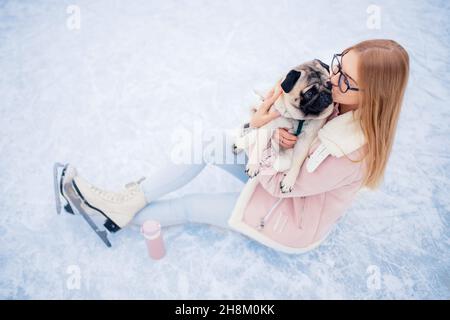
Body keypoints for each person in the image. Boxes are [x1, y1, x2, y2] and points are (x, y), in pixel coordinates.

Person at [63, 39, 410, 253]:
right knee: (205, 143)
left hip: (288, 214)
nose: (333, 81)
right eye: (338, 66)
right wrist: (273, 115)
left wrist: (271, 140)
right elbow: (269, 113)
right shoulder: (334, 95)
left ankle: (114, 216)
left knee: (189, 208)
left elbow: (279, 185)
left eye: (346, 81)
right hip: (278, 170)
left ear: (374, 97)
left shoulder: (352, 153)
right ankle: (126, 202)